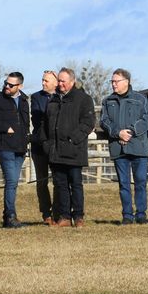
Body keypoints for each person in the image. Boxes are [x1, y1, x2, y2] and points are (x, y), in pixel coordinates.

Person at [42, 68, 95, 227]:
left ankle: (78, 216)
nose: (60, 84)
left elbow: (88, 123)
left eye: (63, 81)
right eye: (59, 80)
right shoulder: (53, 100)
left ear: (72, 82)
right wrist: (47, 143)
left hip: (74, 150)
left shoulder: (83, 99)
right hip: (56, 150)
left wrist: (73, 139)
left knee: (76, 184)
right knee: (61, 185)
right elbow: (46, 123)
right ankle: (64, 216)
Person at [100, 69, 148, 224]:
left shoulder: (141, 99)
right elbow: (104, 121)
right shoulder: (107, 101)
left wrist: (130, 132)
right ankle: (127, 215)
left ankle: (141, 214)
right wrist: (118, 133)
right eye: (112, 81)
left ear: (126, 81)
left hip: (138, 147)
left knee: (140, 182)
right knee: (123, 183)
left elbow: (145, 120)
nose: (113, 84)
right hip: (118, 148)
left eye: (116, 81)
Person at [0, 71, 30, 228]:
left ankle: (7, 216)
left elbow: (26, 123)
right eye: (6, 83)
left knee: (14, 182)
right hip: (4, 146)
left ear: (20, 86)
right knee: (11, 181)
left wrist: (26, 139)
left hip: (20, 147)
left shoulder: (24, 101)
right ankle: (10, 217)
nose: (7, 86)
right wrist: (5, 128)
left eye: (11, 85)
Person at [29, 70, 58, 224]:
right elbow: (37, 119)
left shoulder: (62, 97)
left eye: (46, 80)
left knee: (59, 180)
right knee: (42, 181)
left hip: (56, 145)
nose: (43, 83)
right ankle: (46, 213)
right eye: (42, 80)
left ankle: (59, 212)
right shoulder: (36, 97)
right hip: (40, 144)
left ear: (55, 82)